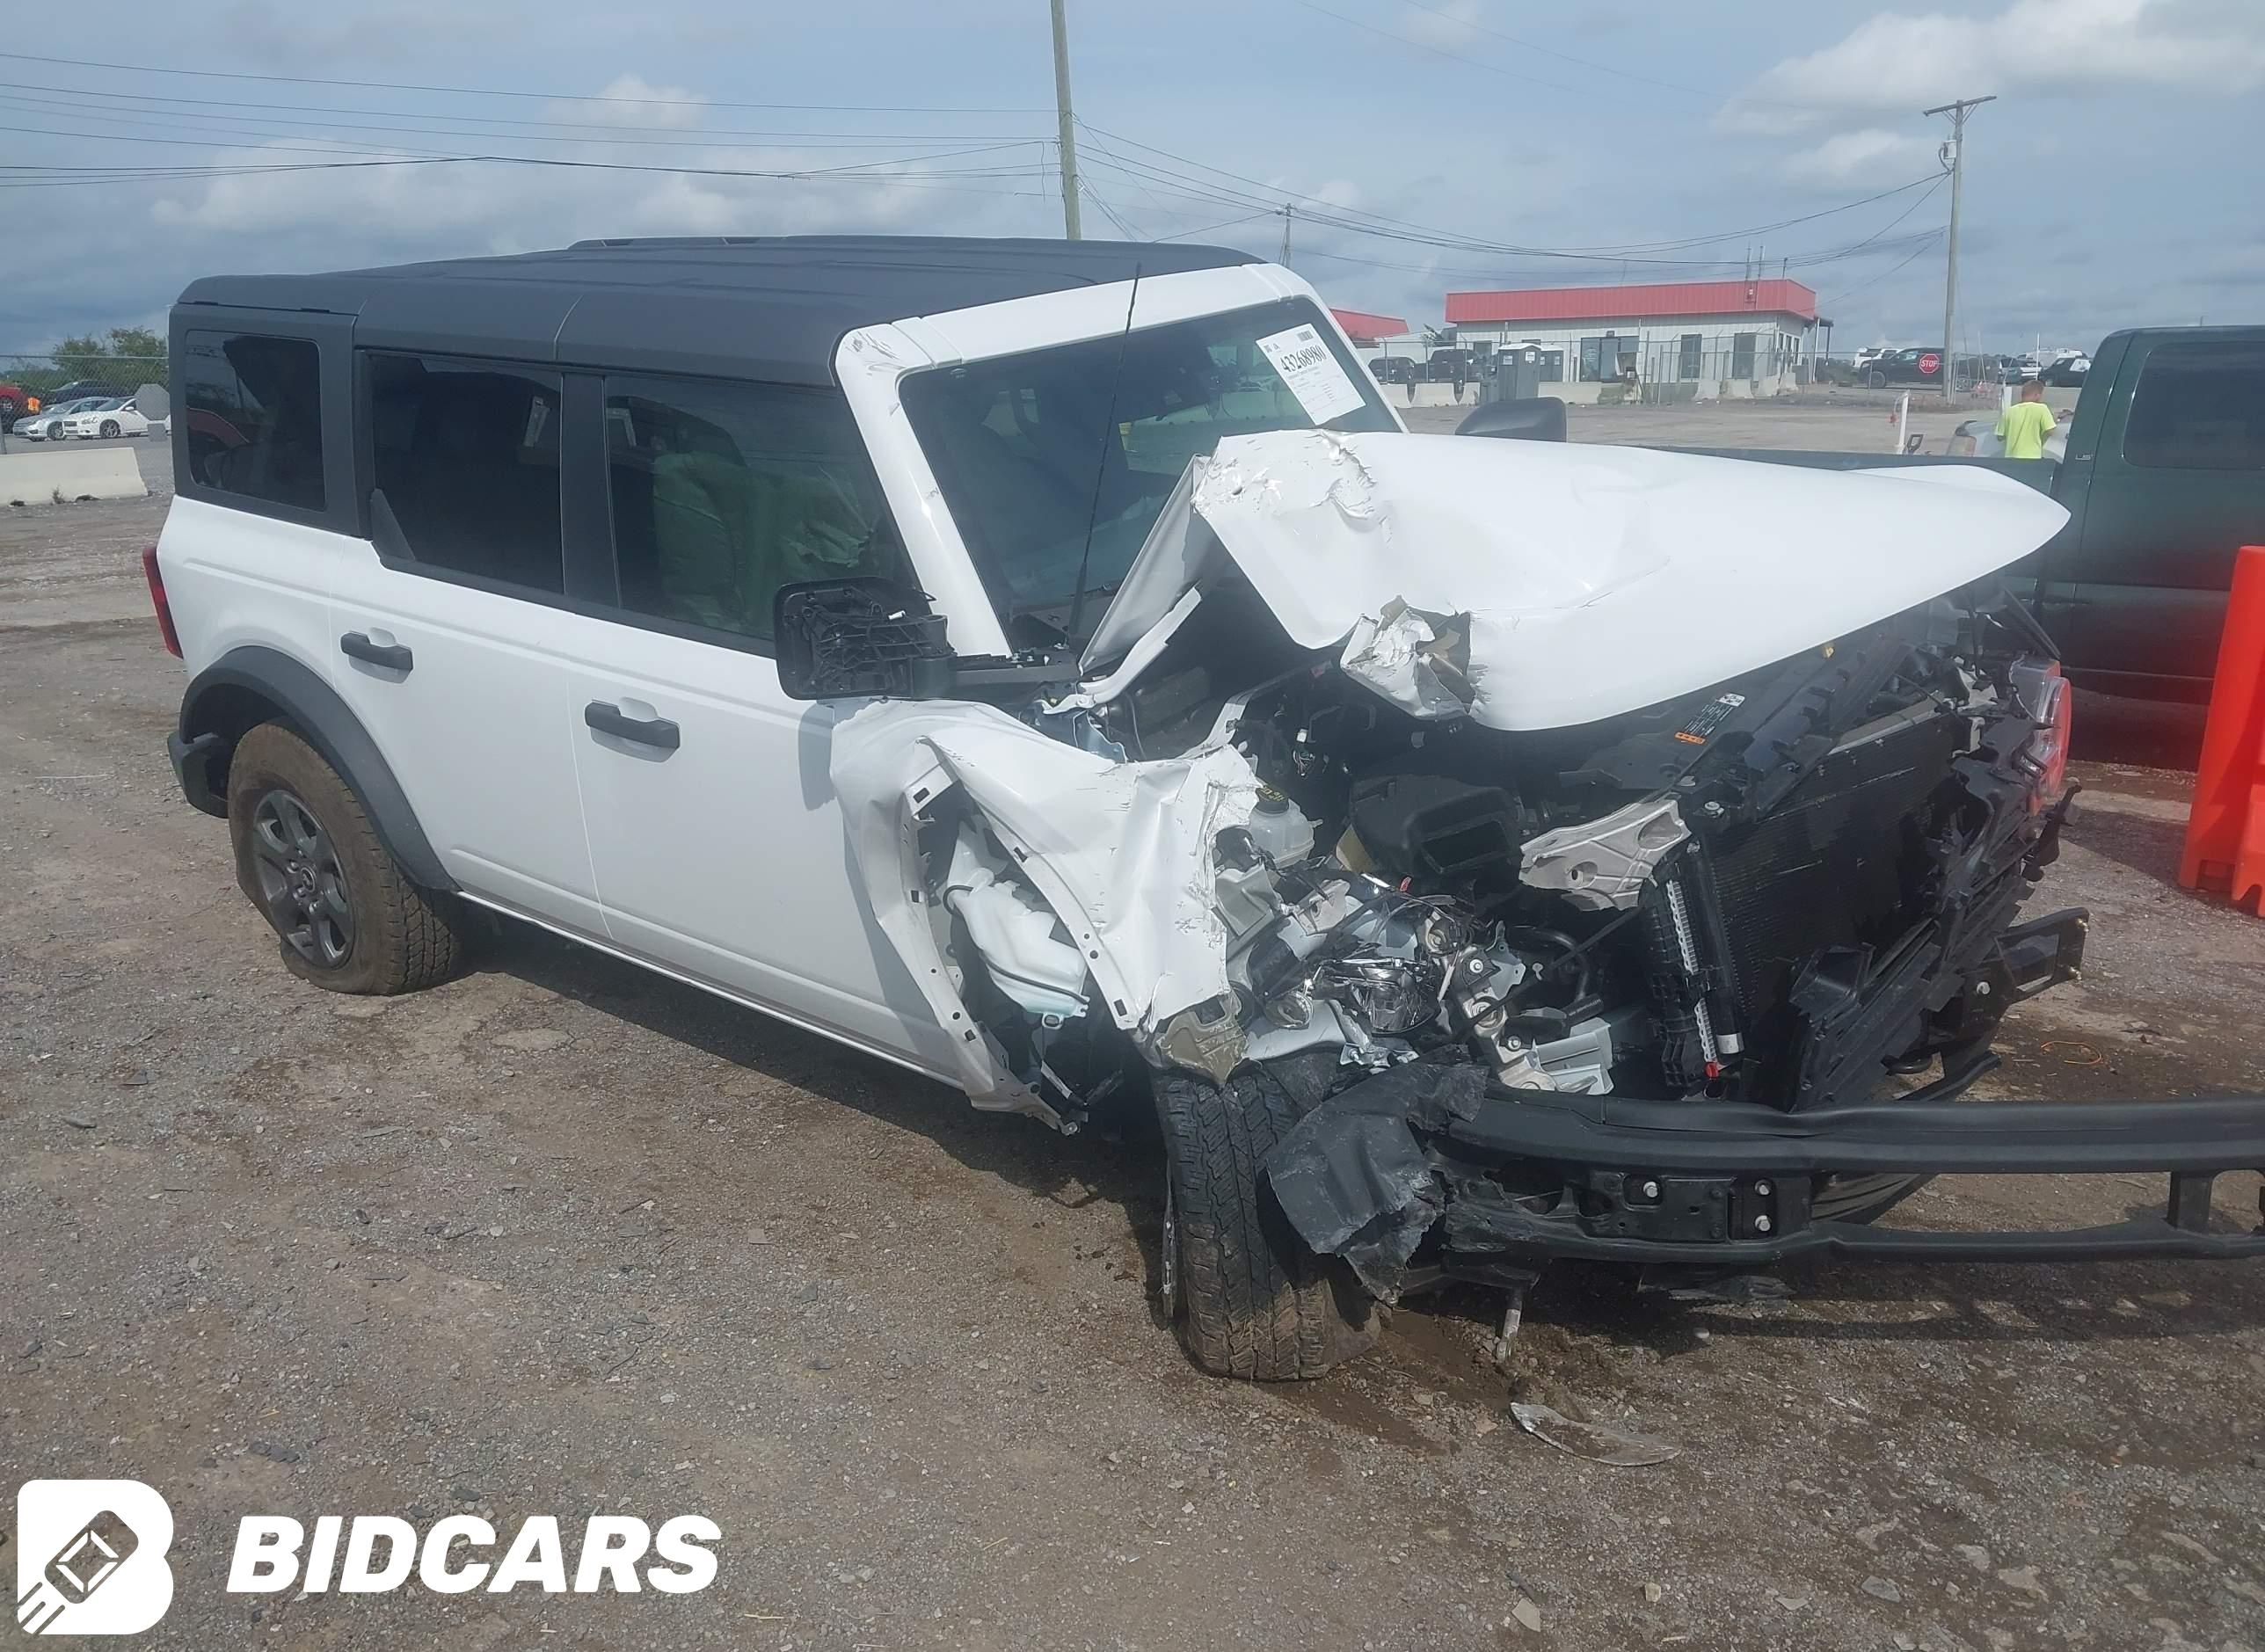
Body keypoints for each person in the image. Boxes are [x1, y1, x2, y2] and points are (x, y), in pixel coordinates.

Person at [1995, 376, 2057, 459]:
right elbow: (2051, 431)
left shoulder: (2009, 411)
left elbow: (2000, 437)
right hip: (2032, 457)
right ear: (2037, 395)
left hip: (2011, 458)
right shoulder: (2042, 409)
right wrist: (2055, 419)